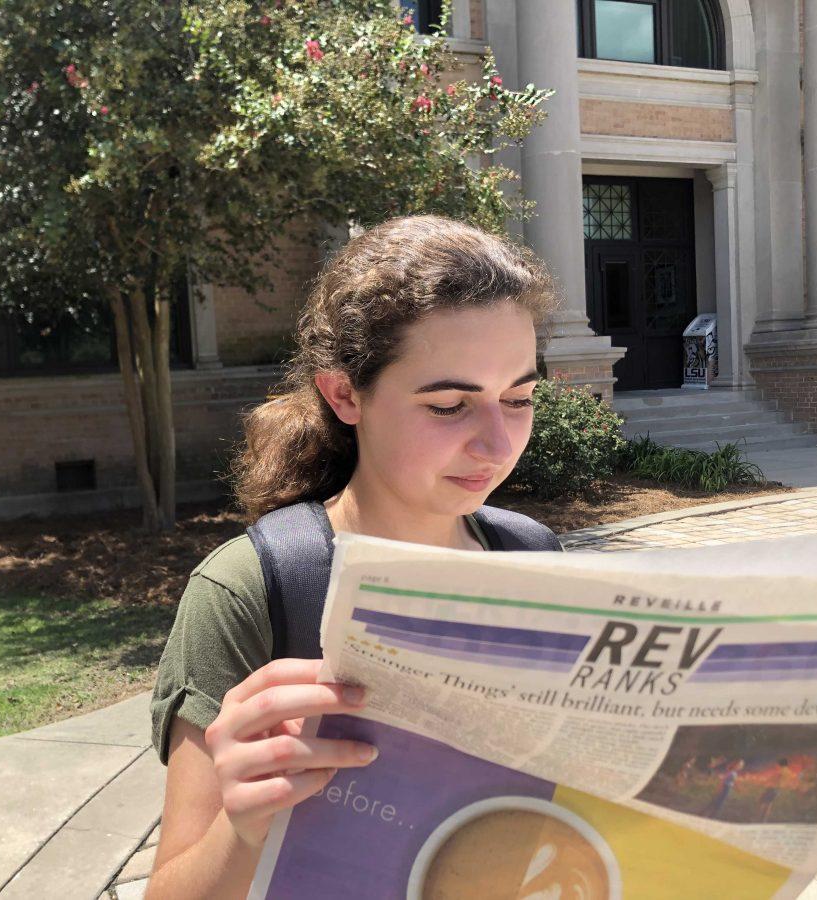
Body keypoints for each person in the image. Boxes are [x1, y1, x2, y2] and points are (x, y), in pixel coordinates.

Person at [144, 215, 563, 899]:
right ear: (344, 395)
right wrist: (245, 828)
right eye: (451, 404)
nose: (498, 444)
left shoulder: (530, 556)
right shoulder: (252, 588)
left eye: (518, 398)